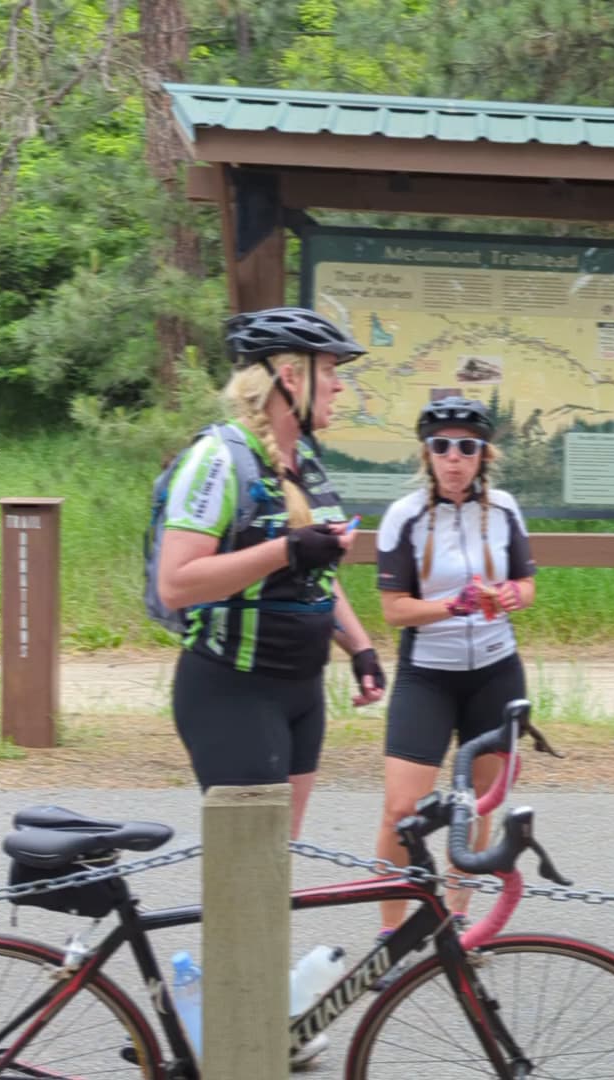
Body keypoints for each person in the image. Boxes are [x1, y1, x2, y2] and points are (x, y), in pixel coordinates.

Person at [156, 307, 389, 840]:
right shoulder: (218, 459)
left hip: (302, 689)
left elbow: (313, 577)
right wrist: (286, 550)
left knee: (275, 863)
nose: (339, 387)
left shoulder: (302, 457)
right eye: (330, 371)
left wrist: (360, 649)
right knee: (249, 872)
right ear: (291, 377)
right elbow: (176, 584)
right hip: (233, 691)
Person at [373, 395, 537, 933]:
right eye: (442, 446)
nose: (454, 457)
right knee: (402, 810)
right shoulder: (404, 518)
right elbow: (395, 610)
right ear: (427, 452)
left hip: (495, 671)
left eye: (467, 447)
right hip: (429, 677)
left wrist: (511, 594)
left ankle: (459, 924)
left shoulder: (506, 510)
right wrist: (453, 605)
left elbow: (527, 585)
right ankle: (391, 930)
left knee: (479, 807)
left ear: (484, 454)